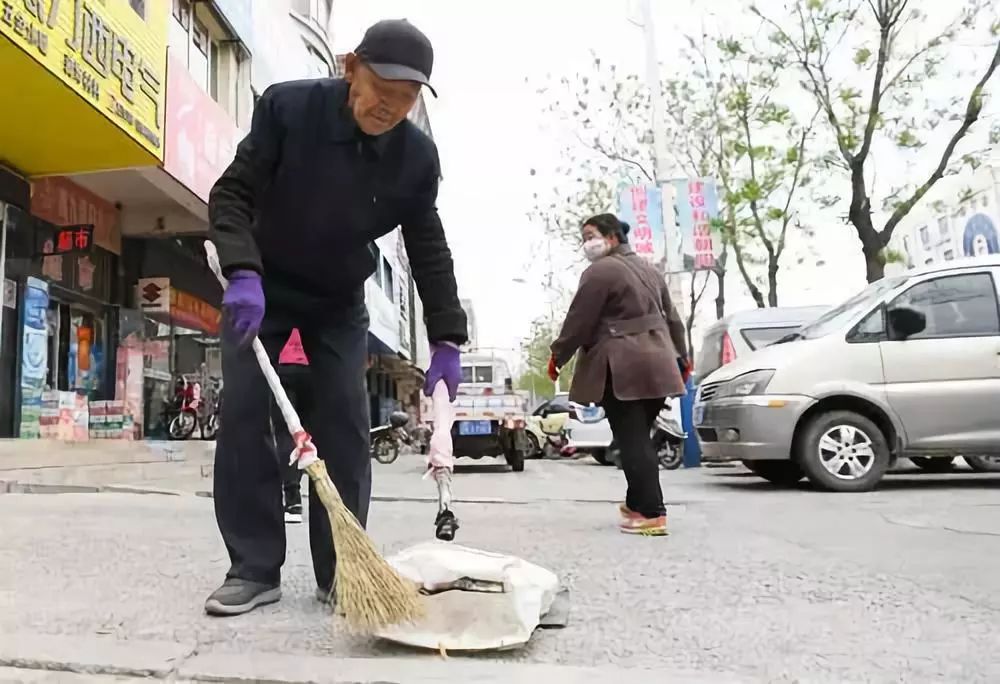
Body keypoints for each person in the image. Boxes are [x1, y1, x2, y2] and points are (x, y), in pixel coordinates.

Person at [204, 19, 468, 616]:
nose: (390, 108)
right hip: (262, 285)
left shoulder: (415, 159)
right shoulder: (288, 108)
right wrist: (242, 271)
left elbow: (428, 246)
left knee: (346, 424)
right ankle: (252, 568)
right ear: (350, 68)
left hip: (336, 299)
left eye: (406, 100)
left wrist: (447, 337)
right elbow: (233, 193)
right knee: (247, 414)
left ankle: (340, 570)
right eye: (381, 91)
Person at [549, 214, 689, 537]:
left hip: (623, 366)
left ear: (612, 237)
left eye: (591, 235)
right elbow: (673, 320)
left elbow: (579, 321)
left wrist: (558, 355)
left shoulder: (600, 271)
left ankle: (653, 513)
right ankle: (636, 503)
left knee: (632, 439)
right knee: (636, 436)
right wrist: (683, 358)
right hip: (660, 365)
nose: (587, 244)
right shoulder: (651, 270)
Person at [272, 328, 310, 524]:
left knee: (286, 435)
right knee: (309, 432)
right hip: (311, 365)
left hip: (283, 366)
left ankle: (293, 501)